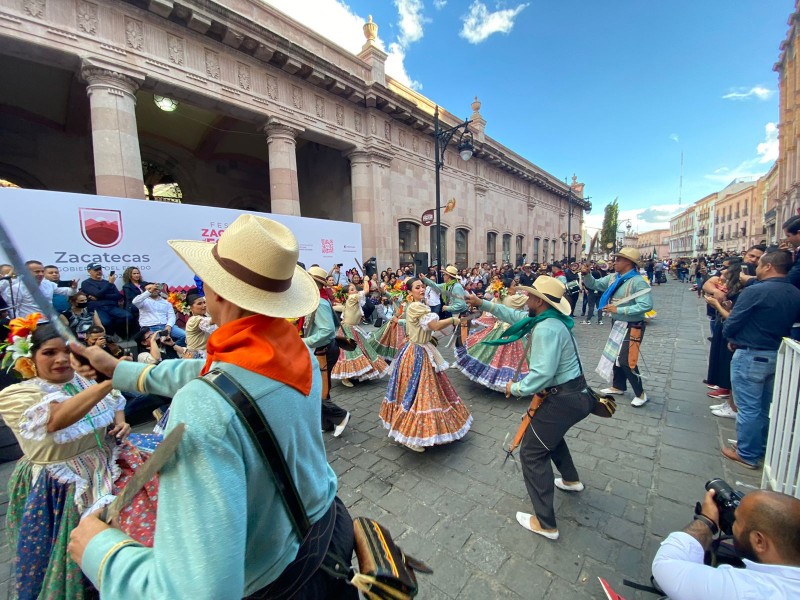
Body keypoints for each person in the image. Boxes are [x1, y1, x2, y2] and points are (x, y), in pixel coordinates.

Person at [67, 214, 358, 599]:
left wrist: (102, 553)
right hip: (326, 534)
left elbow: (198, 590)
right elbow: (212, 373)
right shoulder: (294, 351)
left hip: (276, 579)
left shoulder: (205, 405)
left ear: (216, 293)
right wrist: (118, 369)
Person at [0, 317, 156, 599]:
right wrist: (112, 378)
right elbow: (55, 420)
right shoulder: (17, 394)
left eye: (67, 352)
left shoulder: (83, 381)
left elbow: (115, 403)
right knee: (73, 556)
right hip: (61, 484)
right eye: (49, 353)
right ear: (31, 358)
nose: (61, 359)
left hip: (112, 463)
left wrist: (121, 422)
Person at [465, 276, 593, 540]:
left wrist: (516, 388)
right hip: (574, 395)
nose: (526, 300)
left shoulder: (546, 329)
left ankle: (546, 523)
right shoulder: (548, 321)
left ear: (538, 301)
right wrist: (483, 303)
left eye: (530, 296)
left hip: (563, 399)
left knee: (532, 453)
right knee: (548, 437)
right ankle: (570, 480)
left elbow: (542, 374)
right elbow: (513, 315)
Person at [720, 250, 800, 469]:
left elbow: (733, 322)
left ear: (768, 267)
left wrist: (731, 334)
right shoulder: (794, 291)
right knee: (764, 405)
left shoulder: (756, 291)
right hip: (777, 353)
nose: (756, 268)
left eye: (760, 264)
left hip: (751, 352)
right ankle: (759, 445)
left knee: (747, 406)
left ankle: (747, 453)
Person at [652, 488, 800, 599]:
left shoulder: (745, 591)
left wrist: (706, 521)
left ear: (759, 541)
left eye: (737, 520)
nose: (733, 524)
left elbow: (666, 564)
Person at [379, 278, 472, 452]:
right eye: (417, 287)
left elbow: (412, 323)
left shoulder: (414, 306)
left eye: (422, 286)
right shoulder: (417, 307)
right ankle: (410, 434)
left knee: (414, 390)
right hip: (417, 354)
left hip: (416, 350)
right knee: (420, 391)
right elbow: (434, 325)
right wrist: (453, 321)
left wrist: (399, 322)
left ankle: (410, 429)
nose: (421, 289)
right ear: (410, 292)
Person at [582, 248, 654, 407]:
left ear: (628, 262)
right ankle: (618, 386)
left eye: (618, 260)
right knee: (616, 355)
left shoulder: (638, 281)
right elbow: (594, 284)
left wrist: (619, 309)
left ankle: (641, 394)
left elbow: (646, 305)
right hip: (618, 323)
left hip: (633, 325)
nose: (614, 262)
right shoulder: (614, 277)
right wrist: (586, 274)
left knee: (627, 360)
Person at [303, 266, 351, 437]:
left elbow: (327, 331)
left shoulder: (319, 303)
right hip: (321, 349)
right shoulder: (316, 301)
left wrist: (303, 341)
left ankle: (339, 416)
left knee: (315, 389)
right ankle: (327, 422)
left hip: (323, 349)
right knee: (320, 387)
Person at [455, 292, 530, 392]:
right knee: (511, 356)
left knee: (493, 352)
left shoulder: (499, 296)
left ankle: (494, 378)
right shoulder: (515, 298)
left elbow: (492, 310)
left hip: (500, 327)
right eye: (513, 284)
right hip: (513, 328)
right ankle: (506, 381)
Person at [331, 280, 389, 386]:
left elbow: (344, 308)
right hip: (348, 330)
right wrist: (366, 279)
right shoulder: (353, 298)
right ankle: (346, 377)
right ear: (348, 293)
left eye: (354, 289)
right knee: (351, 352)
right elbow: (366, 290)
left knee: (359, 350)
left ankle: (355, 374)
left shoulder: (351, 300)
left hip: (352, 328)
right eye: (352, 290)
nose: (355, 291)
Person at [0, 260, 77, 320]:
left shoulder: (48, 284)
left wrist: (73, 288)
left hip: (51, 322)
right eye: (37, 272)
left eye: (42, 271)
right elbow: (12, 310)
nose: (41, 274)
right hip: (30, 325)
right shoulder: (16, 287)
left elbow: (69, 292)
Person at [80, 263, 135, 338]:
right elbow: (98, 293)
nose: (99, 271)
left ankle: (117, 334)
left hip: (111, 307)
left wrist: (99, 297)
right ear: (89, 271)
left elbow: (118, 296)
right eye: (96, 270)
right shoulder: (86, 283)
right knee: (106, 322)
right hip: (98, 308)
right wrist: (109, 284)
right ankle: (109, 337)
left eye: (100, 269)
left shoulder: (106, 282)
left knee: (128, 316)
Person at [183, 293, 216, 358]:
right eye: (199, 304)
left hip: (204, 354)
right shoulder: (194, 320)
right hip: (195, 357)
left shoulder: (203, 317)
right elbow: (213, 320)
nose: (204, 305)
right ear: (190, 307)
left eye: (204, 302)